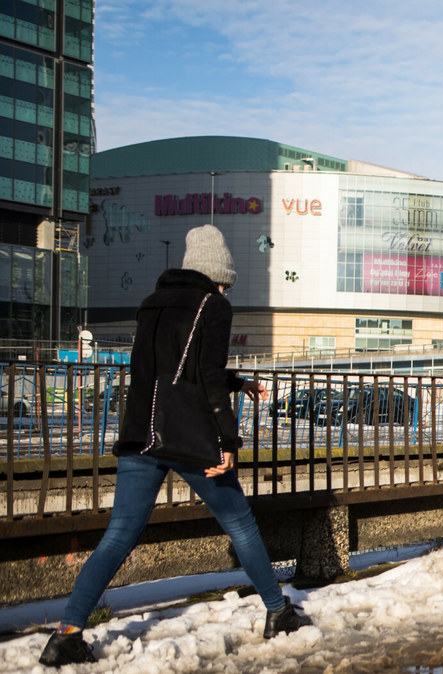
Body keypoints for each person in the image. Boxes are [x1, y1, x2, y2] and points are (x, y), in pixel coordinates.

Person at [40, 225, 311, 667]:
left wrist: (237, 381)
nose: (226, 288)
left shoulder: (150, 304)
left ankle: (66, 634)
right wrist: (228, 440)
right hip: (189, 439)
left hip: (139, 437)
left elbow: (169, 373)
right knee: (240, 523)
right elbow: (203, 377)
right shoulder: (214, 305)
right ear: (214, 275)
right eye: (225, 280)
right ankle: (278, 613)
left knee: (117, 537)